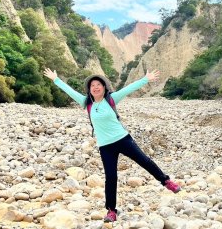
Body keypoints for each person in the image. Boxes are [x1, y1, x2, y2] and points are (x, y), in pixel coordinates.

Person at [43, 68, 181, 223]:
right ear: (89, 89)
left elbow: (129, 88)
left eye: (98, 84)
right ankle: (111, 211)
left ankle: (167, 182)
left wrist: (145, 79)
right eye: (92, 85)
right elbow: (69, 91)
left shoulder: (112, 99)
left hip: (123, 139)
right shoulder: (86, 103)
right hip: (105, 146)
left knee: (145, 161)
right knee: (111, 177)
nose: (95, 87)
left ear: (104, 87)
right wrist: (56, 79)